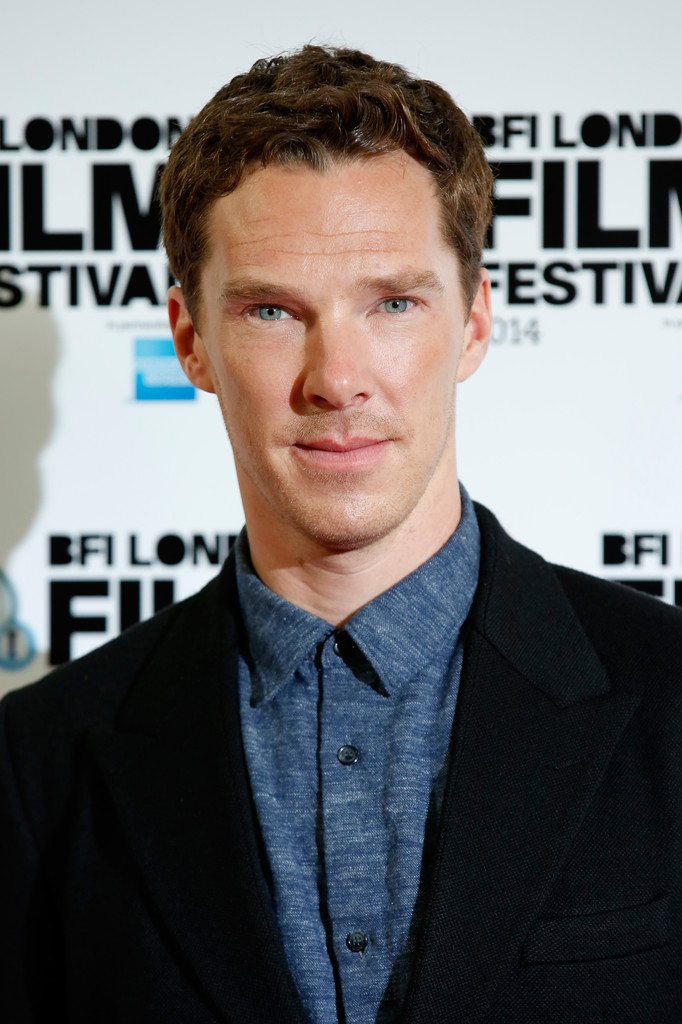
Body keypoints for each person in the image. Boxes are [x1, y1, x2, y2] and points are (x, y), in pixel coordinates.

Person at [1, 45, 680, 1024]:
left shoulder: (666, 697)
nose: (337, 378)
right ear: (190, 339)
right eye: (273, 310)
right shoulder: (43, 761)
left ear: (476, 320)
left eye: (392, 303)